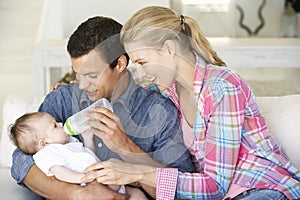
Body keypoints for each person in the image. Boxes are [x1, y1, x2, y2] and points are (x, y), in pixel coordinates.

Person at [82, 6, 300, 200]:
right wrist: (71, 87)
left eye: (142, 62)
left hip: (262, 188)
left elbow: (215, 186)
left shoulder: (222, 88)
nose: (140, 72)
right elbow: (125, 92)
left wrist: (135, 172)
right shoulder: (167, 91)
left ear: (169, 49)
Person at [11, 16, 194, 199]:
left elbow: (182, 188)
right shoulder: (63, 99)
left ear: (120, 64)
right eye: (78, 74)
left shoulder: (159, 112)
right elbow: (22, 160)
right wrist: (77, 194)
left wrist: (126, 147)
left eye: (91, 75)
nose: (82, 85)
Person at [9, 112, 147, 200]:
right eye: (55, 126)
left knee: (138, 194)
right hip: (91, 184)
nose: (60, 124)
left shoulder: (70, 142)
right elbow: (59, 172)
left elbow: (89, 154)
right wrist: (82, 178)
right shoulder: (47, 153)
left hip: (106, 179)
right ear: (44, 142)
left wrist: (87, 139)